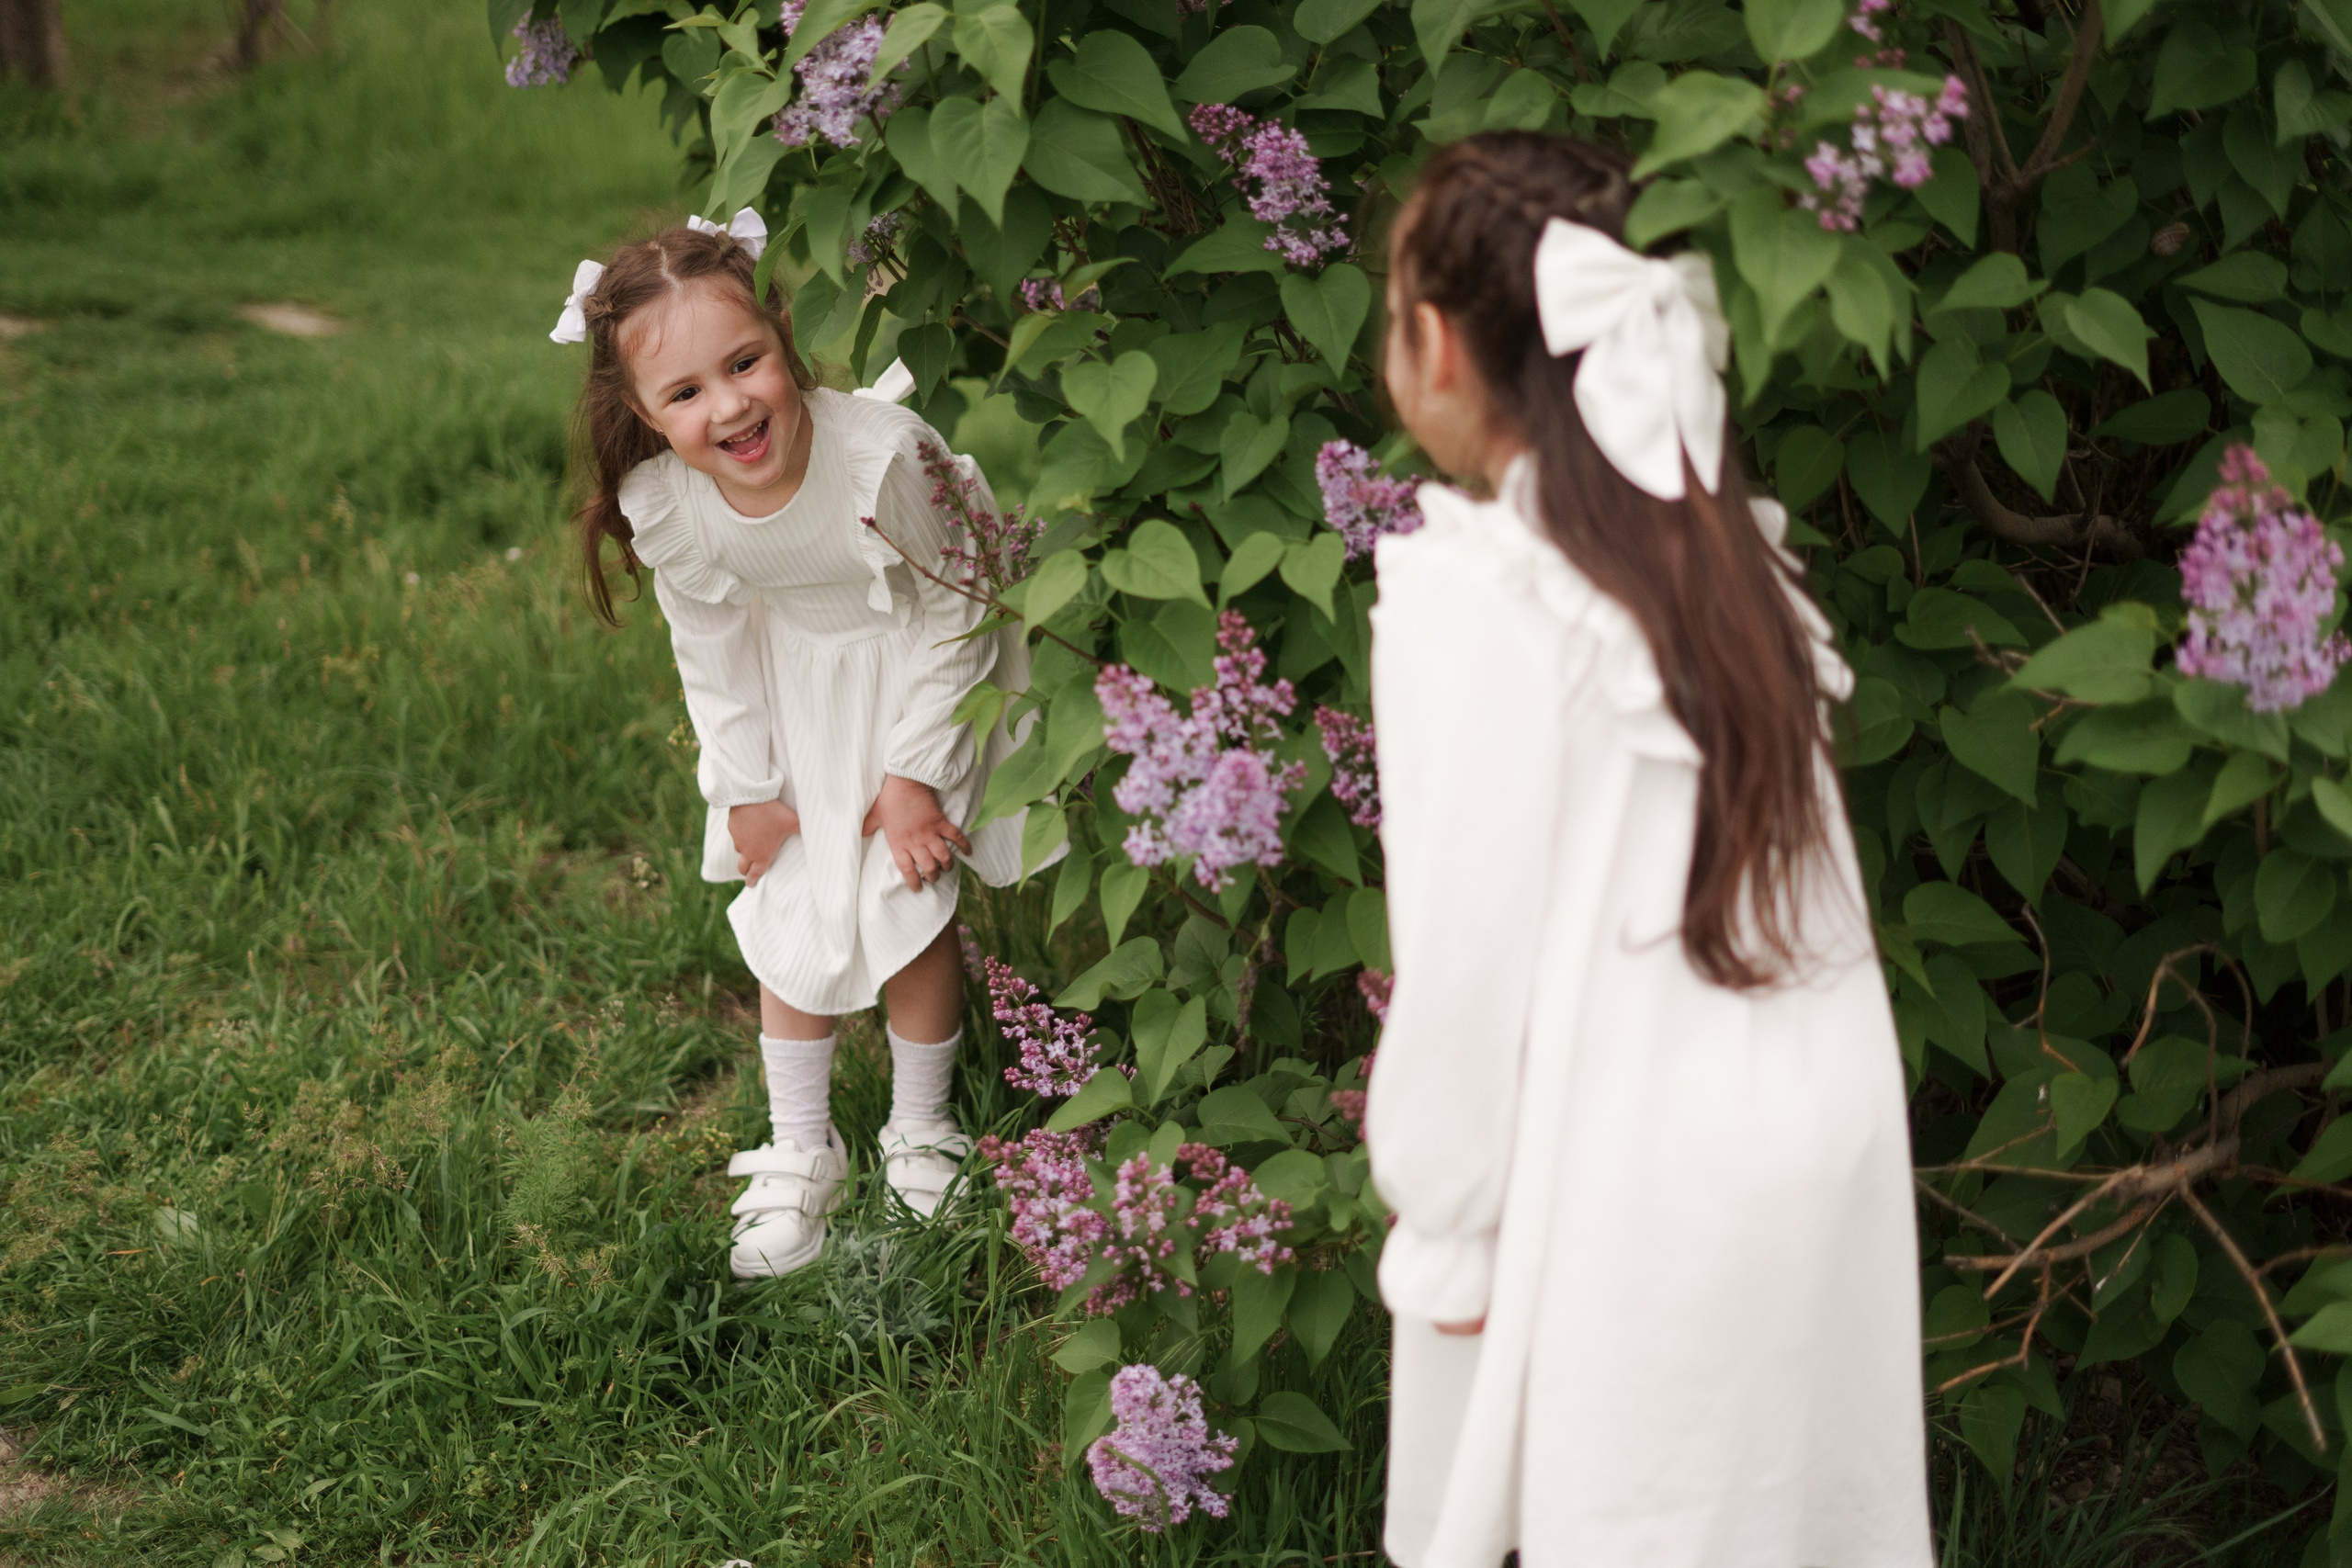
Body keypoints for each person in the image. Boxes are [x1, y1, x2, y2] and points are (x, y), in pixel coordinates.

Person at [1364, 133, 1930, 1567]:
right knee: (1781, 1505)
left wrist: (1450, 1220)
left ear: (1431, 344)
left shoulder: (1478, 596)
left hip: (1640, 1159)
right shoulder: (1733, 558)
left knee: (1641, 1514)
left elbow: (1467, 950)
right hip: (1815, 1120)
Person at [549, 211, 1044, 1279]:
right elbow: (713, 648)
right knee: (788, 897)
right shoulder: (672, 505)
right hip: (807, 685)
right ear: (638, 410)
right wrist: (748, 789)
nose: (727, 406)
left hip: (920, 667)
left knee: (905, 899)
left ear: (783, 334)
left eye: (745, 364)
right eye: (683, 393)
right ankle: (800, 1144)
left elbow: (962, 606)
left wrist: (916, 775)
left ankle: (921, 1131)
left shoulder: (879, 461)